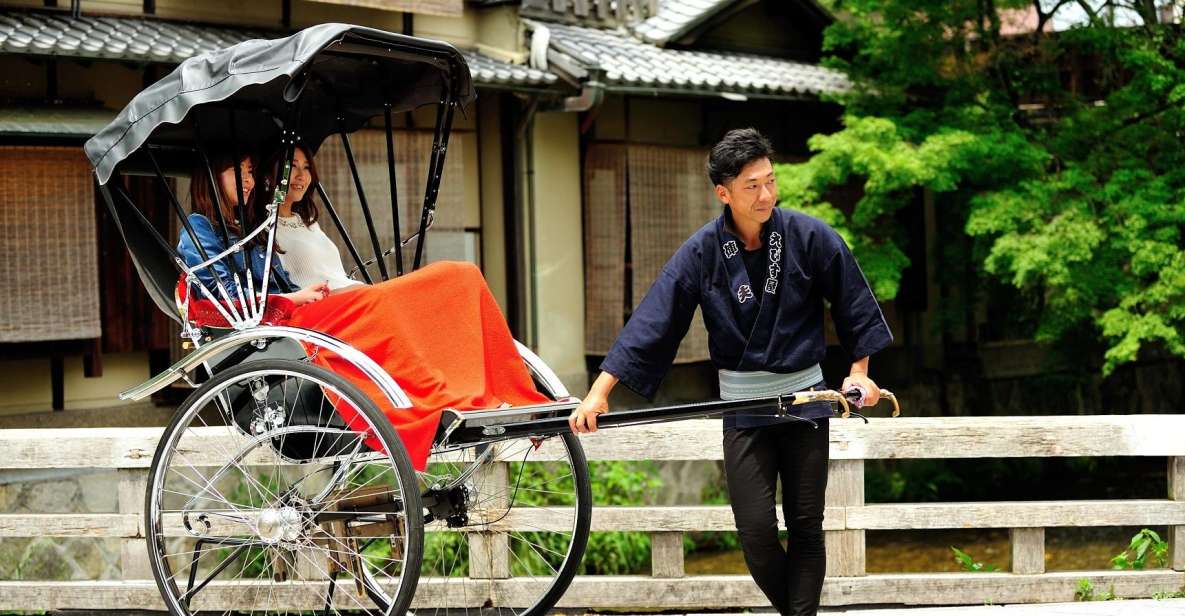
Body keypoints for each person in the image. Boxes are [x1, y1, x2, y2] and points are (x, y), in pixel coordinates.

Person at [568, 128, 893, 616]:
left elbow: (853, 305)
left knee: (807, 523)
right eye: (751, 186)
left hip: (807, 401)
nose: (765, 195)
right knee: (756, 532)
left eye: (770, 182)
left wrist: (860, 371)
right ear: (724, 193)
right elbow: (655, 319)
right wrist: (598, 392)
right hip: (743, 409)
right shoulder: (700, 252)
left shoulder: (809, 236)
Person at [176, 153, 328, 308]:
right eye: (237, 170)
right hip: (260, 321)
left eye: (250, 171)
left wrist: (307, 296)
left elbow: (285, 284)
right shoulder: (199, 226)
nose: (248, 180)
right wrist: (293, 299)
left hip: (286, 314)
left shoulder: (252, 225)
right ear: (212, 176)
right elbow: (223, 293)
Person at [263, 145, 361, 292]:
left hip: (350, 293)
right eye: (293, 166)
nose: (302, 176)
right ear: (269, 175)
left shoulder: (307, 222)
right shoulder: (263, 228)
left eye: (307, 167)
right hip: (319, 304)